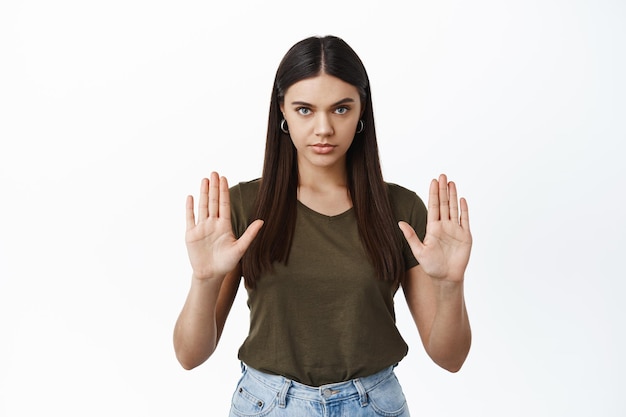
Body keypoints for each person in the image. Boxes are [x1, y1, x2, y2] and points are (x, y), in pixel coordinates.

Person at [173, 35, 472, 417]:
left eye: (341, 109)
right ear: (281, 110)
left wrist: (451, 285)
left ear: (362, 111)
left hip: (373, 405)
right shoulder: (244, 207)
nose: (324, 128)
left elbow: (450, 358)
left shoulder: (400, 210)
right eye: (304, 110)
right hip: (267, 405)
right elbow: (189, 355)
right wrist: (203, 279)